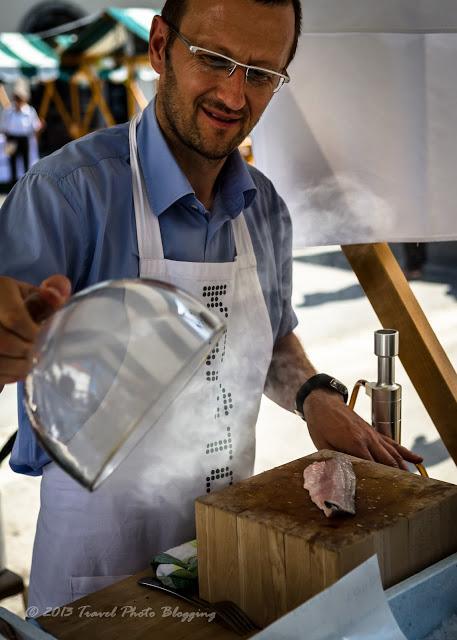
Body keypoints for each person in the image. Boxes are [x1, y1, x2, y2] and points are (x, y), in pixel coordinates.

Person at [0, 0, 422, 615]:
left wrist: (317, 397)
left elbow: (274, 340)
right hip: (94, 573)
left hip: (230, 550)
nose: (233, 92)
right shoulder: (68, 194)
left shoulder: (265, 208)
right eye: (214, 59)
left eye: (260, 73)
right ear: (160, 46)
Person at [0, 80, 42, 186]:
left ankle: (25, 183)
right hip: (12, 138)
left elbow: (35, 125)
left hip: (24, 138)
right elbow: (4, 126)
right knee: (12, 162)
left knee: (25, 161)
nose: (18, 101)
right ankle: (13, 183)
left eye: (20, 99)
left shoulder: (29, 111)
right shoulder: (9, 111)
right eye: (16, 99)